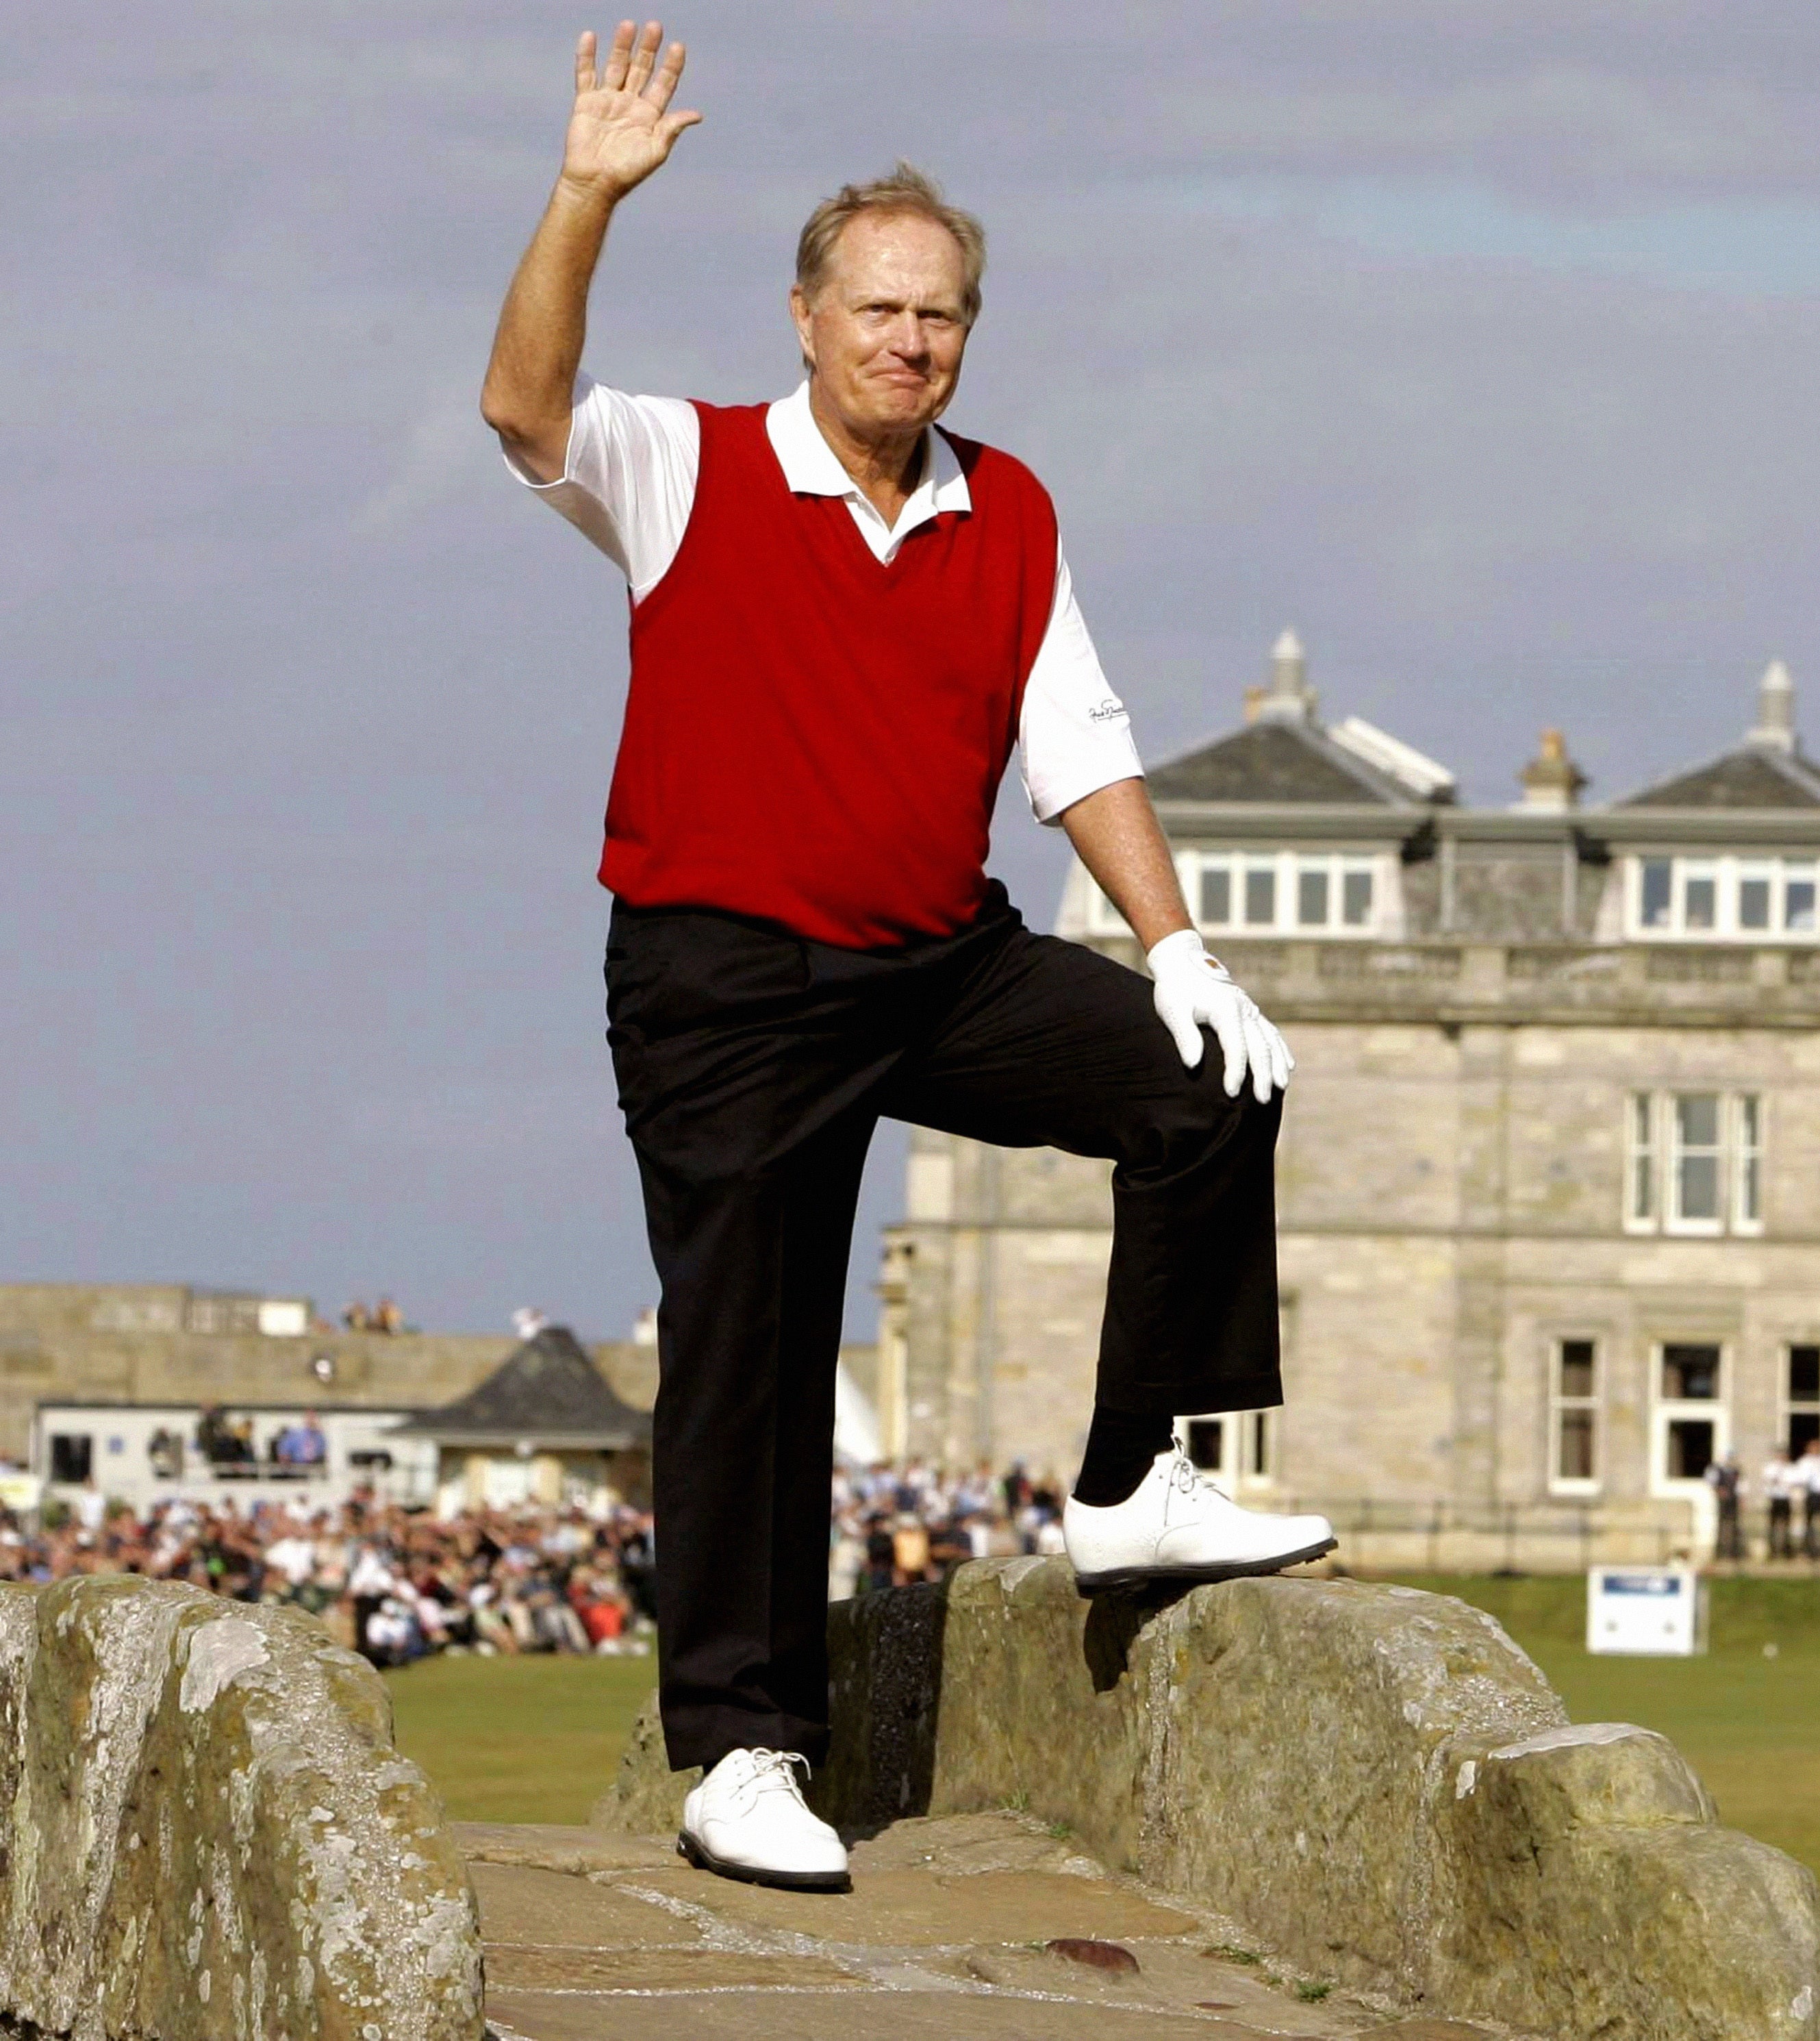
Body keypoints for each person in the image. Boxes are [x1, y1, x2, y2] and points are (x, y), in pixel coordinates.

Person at [482, 23, 1330, 1894]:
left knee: (1209, 1084)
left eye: (938, 317)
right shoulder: (686, 464)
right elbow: (525, 409)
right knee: (752, 1346)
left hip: (933, 959)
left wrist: (1176, 942)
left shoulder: (1007, 507)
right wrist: (585, 196)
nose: (907, 343)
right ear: (806, 316)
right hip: (722, 980)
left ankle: (1129, 1485)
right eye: (876, 309)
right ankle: (740, 1746)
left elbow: (1080, 742)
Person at [1760, 1447, 1799, 1560]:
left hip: (1786, 1498)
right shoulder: (1771, 1467)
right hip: (1775, 1498)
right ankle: (1772, 1550)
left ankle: (1786, 1550)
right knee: (1773, 1525)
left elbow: (1793, 1481)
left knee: (1786, 1525)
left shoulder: (1791, 1468)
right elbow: (1768, 1480)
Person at [1705, 1453, 1744, 1562]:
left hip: (1733, 1499)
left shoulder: (1736, 1471)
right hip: (1723, 1501)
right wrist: (1719, 1491)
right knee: (1722, 1524)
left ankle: (1733, 1551)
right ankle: (1721, 1552)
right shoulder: (1717, 1470)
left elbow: (1740, 1485)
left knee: (1733, 1524)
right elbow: (1710, 1482)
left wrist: (1741, 1499)